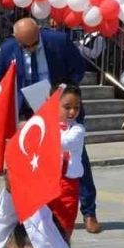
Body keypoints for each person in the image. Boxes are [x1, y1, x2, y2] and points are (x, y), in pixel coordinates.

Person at [0, 18, 100, 235]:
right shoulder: (9, 49)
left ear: (40, 33)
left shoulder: (58, 41)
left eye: (33, 44)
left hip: (61, 106)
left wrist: (65, 90)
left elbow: (78, 69)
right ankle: (38, 209)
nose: (29, 49)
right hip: (30, 112)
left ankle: (88, 211)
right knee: (33, 160)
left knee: (75, 156)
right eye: (24, 46)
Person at [46, 84, 86, 238]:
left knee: (64, 227)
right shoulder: (46, 126)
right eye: (67, 107)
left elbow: (63, 143)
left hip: (68, 186)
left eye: (76, 107)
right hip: (47, 182)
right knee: (43, 227)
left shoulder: (77, 130)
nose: (72, 112)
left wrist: (43, 134)